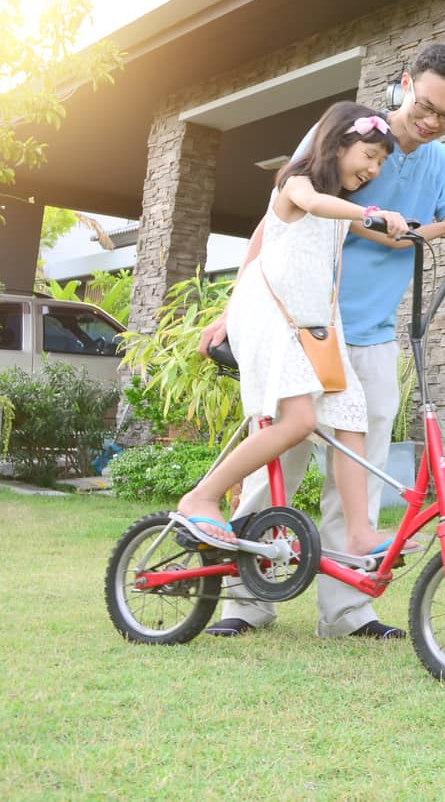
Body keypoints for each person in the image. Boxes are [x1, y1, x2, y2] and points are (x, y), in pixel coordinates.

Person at [198, 42, 445, 641]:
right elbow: (276, 216)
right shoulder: (345, 133)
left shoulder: (440, 163)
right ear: (405, 84)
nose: (432, 122)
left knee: (360, 473)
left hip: (366, 338)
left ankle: (347, 611)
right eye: (426, 106)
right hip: (298, 327)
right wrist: (235, 309)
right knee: (276, 466)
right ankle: (245, 599)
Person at [175, 102, 409, 558]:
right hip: (270, 317)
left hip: (314, 326)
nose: (374, 169)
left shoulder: (342, 214)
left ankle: (359, 532)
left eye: (382, 162)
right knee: (300, 421)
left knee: (351, 417)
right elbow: (316, 203)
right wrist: (370, 214)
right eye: (369, 155)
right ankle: (201, 496)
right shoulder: (296, 183)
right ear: (339, 143)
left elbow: (391, 236)